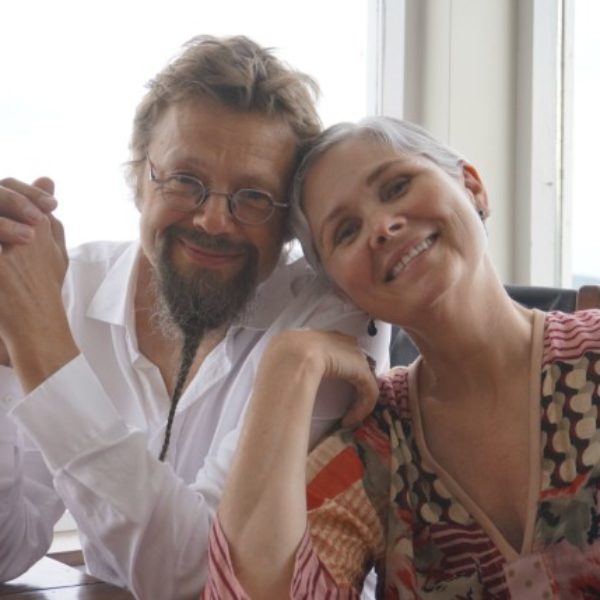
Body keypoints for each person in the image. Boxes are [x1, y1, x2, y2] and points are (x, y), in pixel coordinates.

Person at [0, 36, 390, 598]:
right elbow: (8, 547)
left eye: (253, 196)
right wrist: (4, 355)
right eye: (185, 181)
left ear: (290, 222)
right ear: (139, 176)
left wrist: (44, 350)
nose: (213, 220)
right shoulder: (67, 287)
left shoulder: (331, 315)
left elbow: (204, 577)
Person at [202, 116, 600, 598]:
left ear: (472, 186)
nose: (382, 227)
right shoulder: (376, 445)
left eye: (397, 186)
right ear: (340, 290)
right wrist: (288, 364)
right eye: (346, 232)